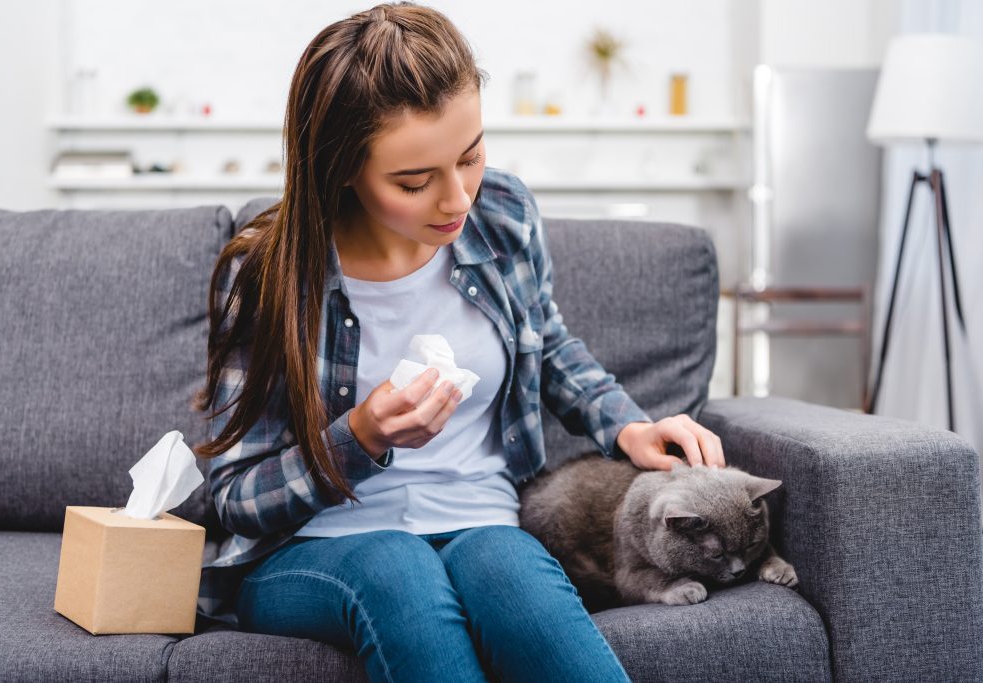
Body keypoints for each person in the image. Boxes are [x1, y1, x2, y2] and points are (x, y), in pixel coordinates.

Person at [191, 3, 725, 681]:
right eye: (415, 181)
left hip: (483, 520)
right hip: (308, 551)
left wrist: (629, 428)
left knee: (513, 575)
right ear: (342, 168)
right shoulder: (269, 273)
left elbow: (549, 344)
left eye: (471, 155)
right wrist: (360, 437)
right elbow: (234, 494)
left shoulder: (503, 214)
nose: (457, 199)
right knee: (397, 566)